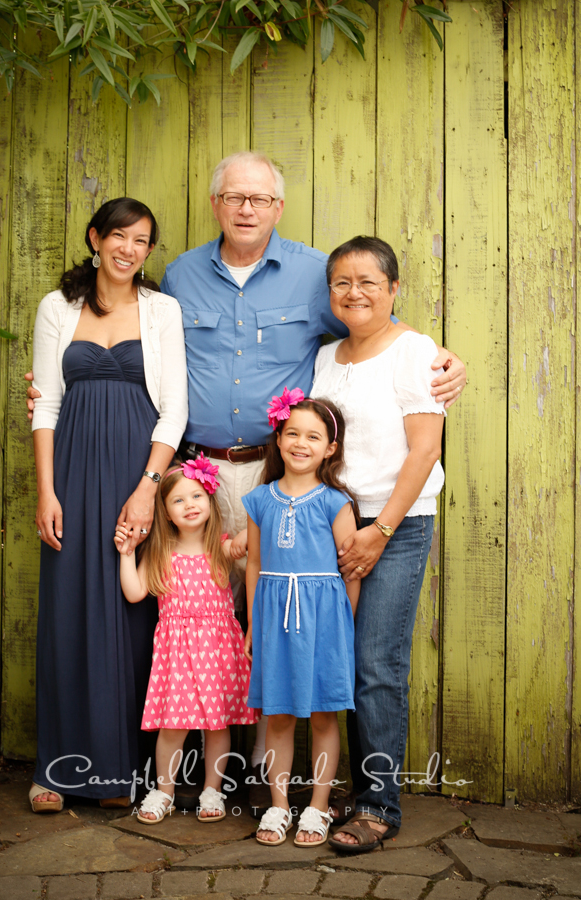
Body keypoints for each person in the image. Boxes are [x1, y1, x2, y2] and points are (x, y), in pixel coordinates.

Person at [25, 152, 466, 812]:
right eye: (233, 197)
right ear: (215, 204)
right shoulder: (179, 276)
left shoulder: (316, 277)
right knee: (195, 613)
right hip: (201, 472)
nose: (246, 209)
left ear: (277, 208)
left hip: (277, 473)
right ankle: (195, 777)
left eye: (259, 199)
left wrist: (438, 360)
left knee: (273, 626)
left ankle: (268, 783)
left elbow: (366, 323)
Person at [29, 198, 187, 812]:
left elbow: (175, 407)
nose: (128, 249)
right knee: (68, 609)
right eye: (118, 236)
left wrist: (149, 486)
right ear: (96, 238)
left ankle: (121, 771)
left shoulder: (162, 309)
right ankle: (57, 771)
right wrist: (47, 489)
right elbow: (45, 403)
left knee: (133, 612)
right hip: (69, 467)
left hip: (136, 466)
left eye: (142, 240)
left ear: (150, 251)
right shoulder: (56, 306)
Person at [309, 236, 445, 853]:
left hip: (396, 523)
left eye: (369, 281)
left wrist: (380, 530)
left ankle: (378, 807)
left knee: (376, 665)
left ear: (394, 288)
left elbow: (425, 449)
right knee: (337, 661)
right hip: (335, 523)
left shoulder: (415, 352)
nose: (354, 292)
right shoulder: (326, 356)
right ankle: (356, 787)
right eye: (342, 282)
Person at [243, 391, 360, 847]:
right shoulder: (258, 500)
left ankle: (316, 806)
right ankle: (278, 805)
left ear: (330, 448)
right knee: (279, 714)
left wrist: (344, 623)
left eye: (313, 436)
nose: (300, 443)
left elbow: (350, 569)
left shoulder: (334, 502)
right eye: (292, 433)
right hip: (275, 615)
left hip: (324, 618)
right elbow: (253, 563)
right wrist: (254, 621)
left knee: (324, 714)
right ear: (278, 437)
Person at [114, 455, 258, 824]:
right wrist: (127, 554)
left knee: (217, 723)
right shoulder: (162, 552)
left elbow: (250, 547)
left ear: (210, 502)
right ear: (164, 512)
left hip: (218, 649)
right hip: (176, 652)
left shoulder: (222, 549)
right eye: (178, 500)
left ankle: (213, 789)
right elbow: (134, 592)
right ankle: (164, 791)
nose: (189, 505)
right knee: (172, 725)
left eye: (196, 496)